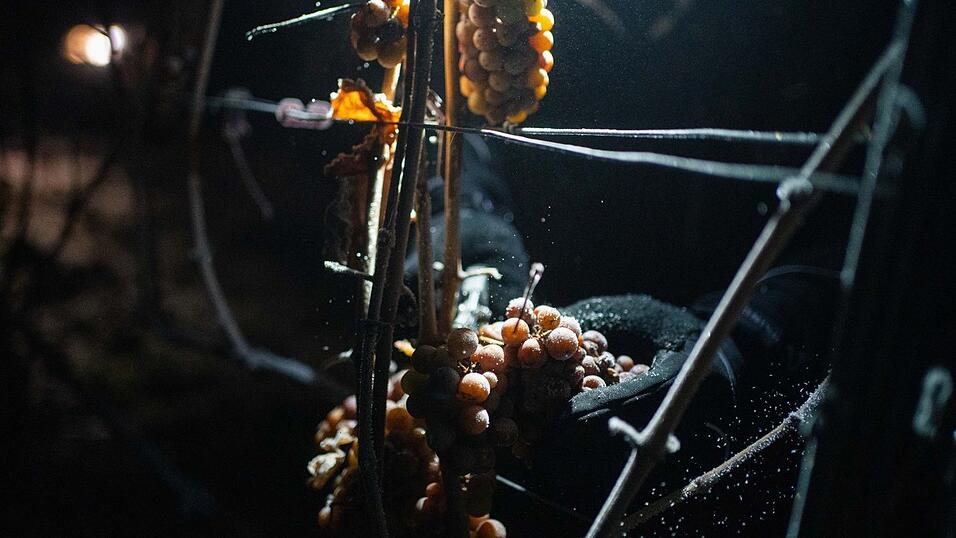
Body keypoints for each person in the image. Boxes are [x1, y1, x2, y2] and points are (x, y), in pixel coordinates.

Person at [404, 135, 836, 532]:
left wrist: (738, 337)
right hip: (520, 414)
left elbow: (863, 257)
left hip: (703, 465)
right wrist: (467, 229)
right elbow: (458, 128)